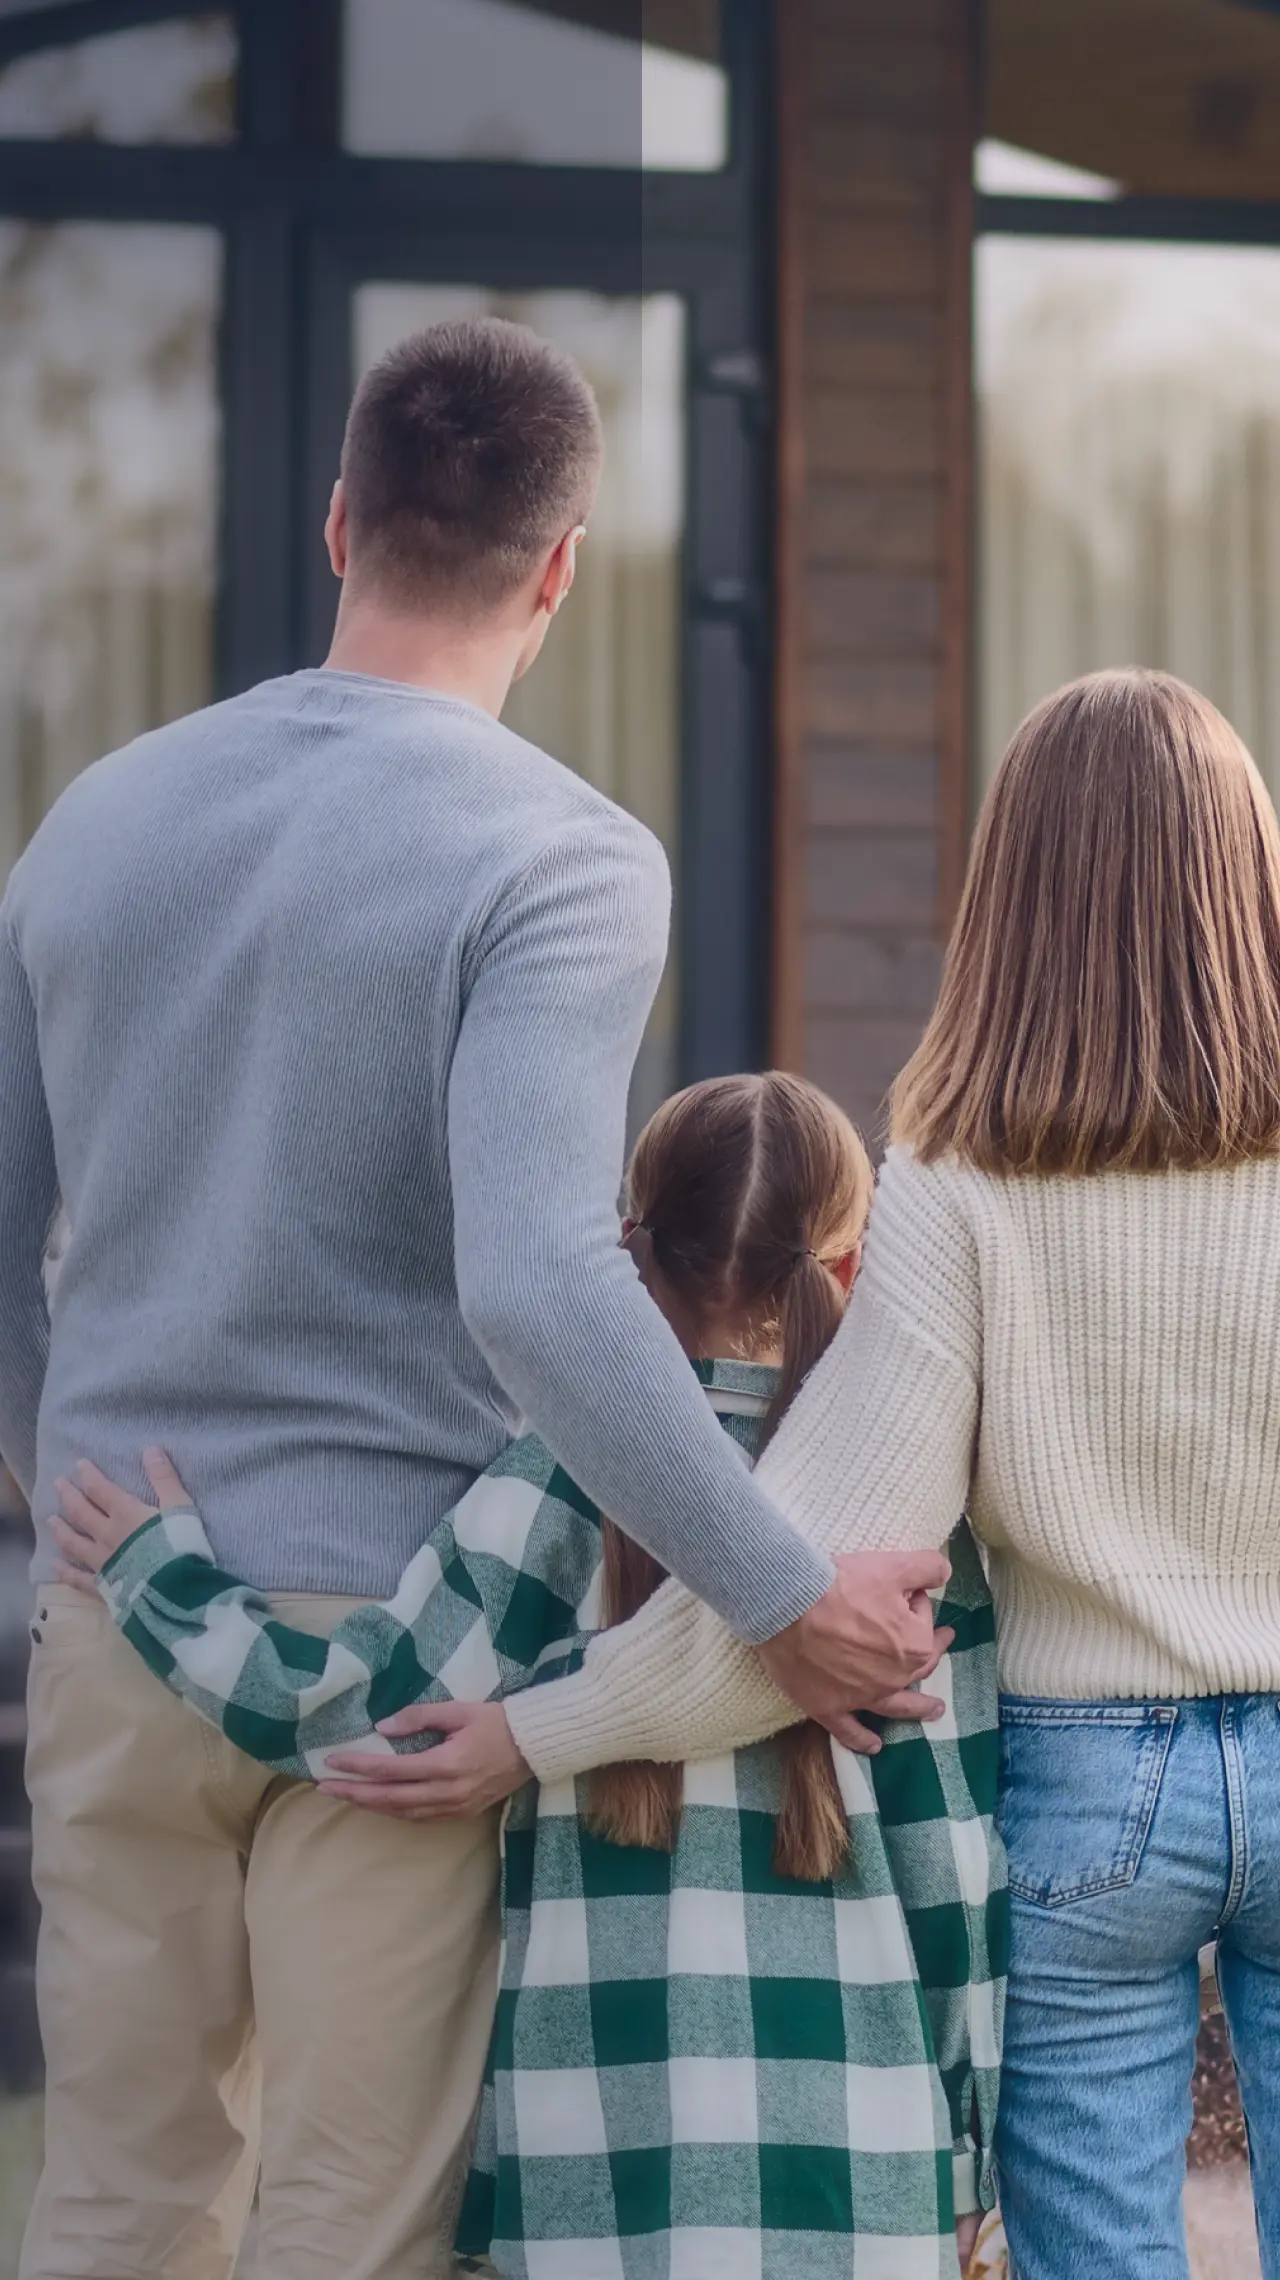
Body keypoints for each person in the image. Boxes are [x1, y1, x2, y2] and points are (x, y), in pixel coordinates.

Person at [0, 315, 947, 2280]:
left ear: (343, 521)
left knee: (112, 2200)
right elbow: (535, 1277)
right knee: (349, 2234)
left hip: (115, 1597)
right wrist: (777, 1601)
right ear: (562, 565)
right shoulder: (561, 860)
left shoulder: (89, 821)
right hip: (400, 1653)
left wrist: (70, 1493)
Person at [388, 670, 1280, 2280]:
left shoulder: (957, 1178)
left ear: (1014, 892)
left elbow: (801, 1584)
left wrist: (540, 1729)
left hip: (1093, 1792)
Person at [52, 1073, 1005, 2279]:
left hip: (590, 2175)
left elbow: (360, 1711)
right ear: (855, 1271)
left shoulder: (559, 1480)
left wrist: (160, 1577)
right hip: (864, 2170)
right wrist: (972, 2164)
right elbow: (959, 1872)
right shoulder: (917, 1534)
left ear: (625, 1263)